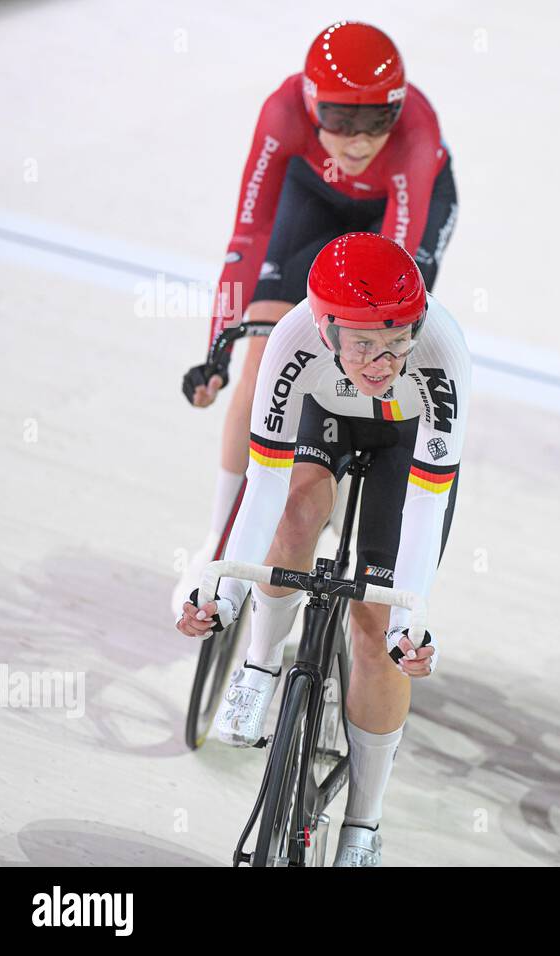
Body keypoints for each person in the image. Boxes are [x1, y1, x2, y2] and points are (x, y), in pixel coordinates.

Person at [176, 233, 471, 866]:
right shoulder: (291, 338)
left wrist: (409, 621)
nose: (381, 362)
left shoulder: (442, 349)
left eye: (396, 342)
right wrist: (223, 593)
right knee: (295, 514)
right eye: (363, 342)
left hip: (405, 444)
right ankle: (259, 667)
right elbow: (262, 483)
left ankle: (363, 825)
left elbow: (426, 502)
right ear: (325, 328)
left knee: (375, 632)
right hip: (325, 417)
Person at [174, 21, 459, 614]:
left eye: (377, 121)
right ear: (310, 105)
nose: (358, 141)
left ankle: (350, 450)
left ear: (398, 112)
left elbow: (388, 283)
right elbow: (248, 237)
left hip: (396, 213)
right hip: (314, 194)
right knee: (265, 349)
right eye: (340, 121)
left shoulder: (416, 132)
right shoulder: (282, 112)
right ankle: (217, 542)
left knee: (379, 336)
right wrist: (217, 351)